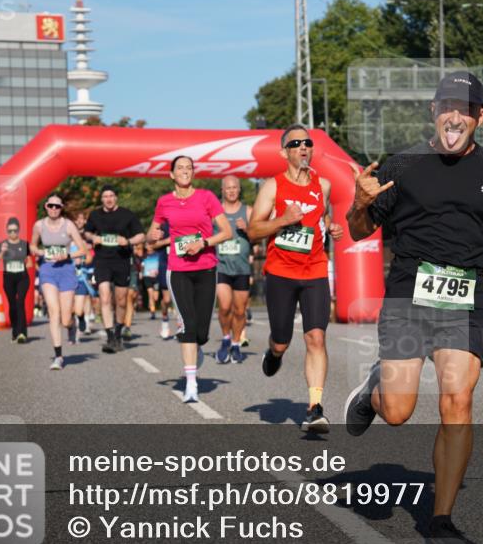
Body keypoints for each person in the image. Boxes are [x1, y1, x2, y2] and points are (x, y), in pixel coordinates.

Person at [343, 71, 483, 544]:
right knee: (398, 412)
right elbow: (356, 231)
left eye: (466, 107)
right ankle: (374, 391)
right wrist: (360, 203)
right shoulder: (404, 165)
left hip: (464, 299)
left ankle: (441, 521)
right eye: (445, 105)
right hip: (409, 296)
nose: (455, 114)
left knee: (457, 400)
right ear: (434, 112)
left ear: (480, 117)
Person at [247, 124, 344, 433]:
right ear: (284, 152)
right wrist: (283, 220)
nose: (303, 147)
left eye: (307, 143)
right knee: (283, 339)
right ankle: (274, 352)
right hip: (280, 271)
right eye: (296, 144)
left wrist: (330, 227)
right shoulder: (272, 187)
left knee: (316, 337)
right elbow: (252, 231)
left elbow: (322, 214)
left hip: (315, 268)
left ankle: (315, 408)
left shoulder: (324, 185)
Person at [147, 156, 232, 403]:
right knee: (187, 325)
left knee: (202, 332)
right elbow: (151, 237)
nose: (185, 171)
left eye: (189, 168)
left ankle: (198, 345)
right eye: (180, 168)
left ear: (193, 173)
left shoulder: (207, 198)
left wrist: (203, 242)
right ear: (172, 175)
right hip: (178, 269)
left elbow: (226, 232)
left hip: (206, 268)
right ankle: (191, 384)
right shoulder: (164, 202)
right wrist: (151, 235)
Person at [83, 185, 146, 354]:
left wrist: (129, 241)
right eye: (105, 196)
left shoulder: (127, 215)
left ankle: (118, 333)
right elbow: (87, 232)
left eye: (111, 195)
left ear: (116, 197)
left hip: (122, 260)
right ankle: (110, 336)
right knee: (104, 297)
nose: (108, 199)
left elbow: (142, 235)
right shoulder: (95, 215)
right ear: (102, 199)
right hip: (102, 260)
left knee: (121, 300)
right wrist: (93, 237)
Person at [30, 194, 89, 369]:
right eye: (51, 206)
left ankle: (71, 326)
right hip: (48, 270)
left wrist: (67, 255)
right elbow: (32, 245)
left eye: (57, 206)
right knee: (53, 311)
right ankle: (58, 356)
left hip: (66, 270)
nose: (54, 209)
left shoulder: (68, 225)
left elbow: (83, 249)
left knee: (65, 319)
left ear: (61, 208)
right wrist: (39, 252)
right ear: (46, 207)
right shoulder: (39, 225)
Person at [214, 175, 254, 365]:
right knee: (224, 306)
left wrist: (247, 229)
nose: (231, 191)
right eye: (227, 188)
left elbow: (259, 235)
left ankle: (236, 344)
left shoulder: (248, 211)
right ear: (222, 190)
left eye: (234, 187)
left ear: (239, 190)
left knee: (239, 311)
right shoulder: (214, 212)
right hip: (221, 266)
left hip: (242, 268)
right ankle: (225, 339)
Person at [0, 217, 32, 343]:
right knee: (12, 305)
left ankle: (22, 333)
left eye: (14, 231)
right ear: (6, 231)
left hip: (22, 277)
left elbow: (30, 261)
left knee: (20, 302)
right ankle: (15, 330)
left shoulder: (24, 244)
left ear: (18, 230)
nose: (12, 233)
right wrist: (2, 252)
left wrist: (27, 263)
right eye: (10, 231)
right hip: (9, 277)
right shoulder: (2, 244)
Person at [69, 212, 96, 344]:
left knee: (78, 309)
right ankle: (73, 331)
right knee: (68, 310)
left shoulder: (85, 243)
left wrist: (83, 262)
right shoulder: (67, 243)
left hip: (81, 279)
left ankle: (81, 319)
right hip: (67, 278)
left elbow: (90, 257)